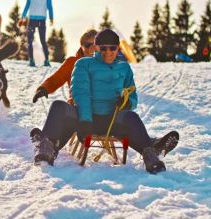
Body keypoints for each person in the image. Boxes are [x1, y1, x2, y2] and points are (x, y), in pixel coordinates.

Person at [30, 29, 179, 173]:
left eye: (113, 48)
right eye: (103, 48)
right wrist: (85, 121)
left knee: (131, 117)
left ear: (118, 48)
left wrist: (127, 103)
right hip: (83, 117)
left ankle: (151, 154)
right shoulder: (81, 64)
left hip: (111, 119)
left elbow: (132, 94)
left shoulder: (124, 68)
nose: (108, 52)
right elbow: (81, 93)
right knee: (58, 107)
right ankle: (46, 147)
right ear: (97, 47)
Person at [32, 29, 98, 104]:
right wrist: (44, 88)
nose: (91, 48)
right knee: (58, 107)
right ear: (82, 47)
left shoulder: (106, 63)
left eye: (95, 44)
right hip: (77, 107)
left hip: (103, 108)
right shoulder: (72, 63)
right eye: (87, 45)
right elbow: (56, 79)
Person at [21, 0, 54, 67]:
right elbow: (27, 6)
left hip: (41, 20)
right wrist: (22, 17)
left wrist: (51, 17)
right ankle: (31, 60)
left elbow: (50, 7)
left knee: (43, 40)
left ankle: (46, 60)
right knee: (30, 40)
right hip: (32, 20)